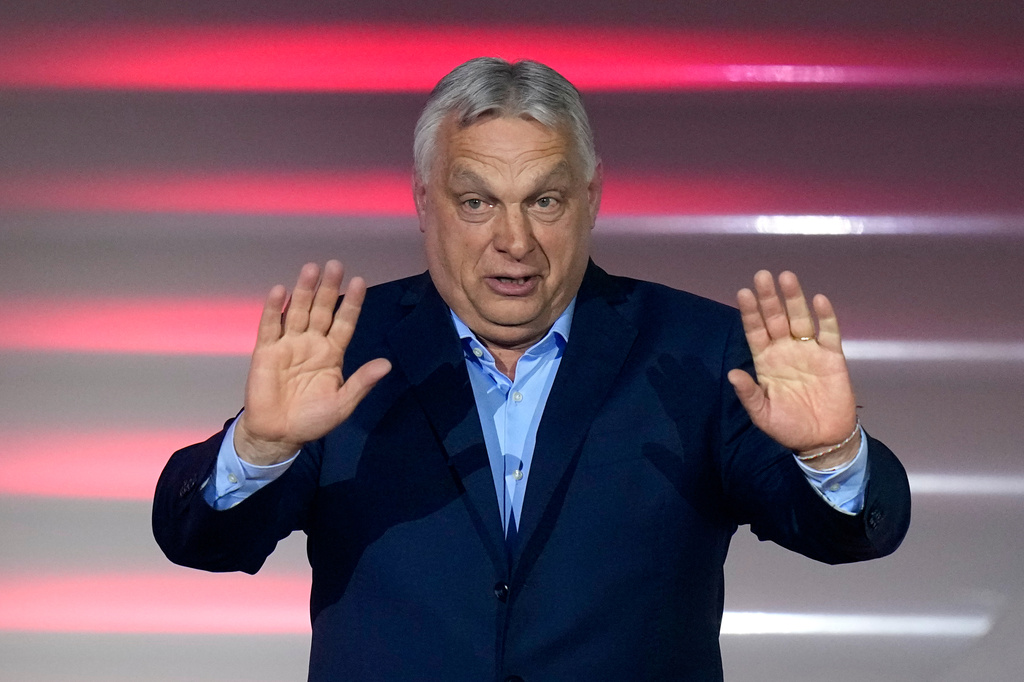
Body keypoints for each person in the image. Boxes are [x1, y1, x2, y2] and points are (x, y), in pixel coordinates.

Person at [153, 57, 911, 681]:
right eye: (476, 203)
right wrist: (262, 446)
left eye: (543, 200)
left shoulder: (697, 351)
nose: (514, 240)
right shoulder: (344, 349)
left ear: (591, 196)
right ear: (424, 201)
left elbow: (846, 535)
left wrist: (831, 452)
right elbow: (202, 541)